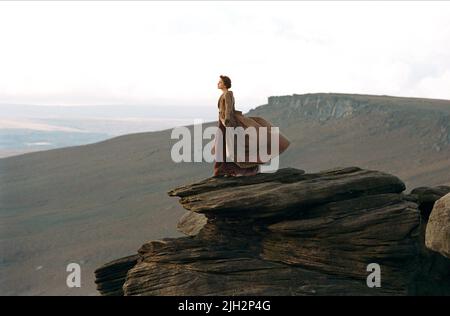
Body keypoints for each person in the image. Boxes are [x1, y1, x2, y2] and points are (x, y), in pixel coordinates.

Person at [212, 75, 291, 177]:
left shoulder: (228, 94)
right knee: (221, 145)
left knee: (229, 146)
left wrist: (227, 121)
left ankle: (227, 168)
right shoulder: (223, 95)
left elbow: (228, 109)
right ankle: (222, 168)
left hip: (227, 122)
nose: (218, 84)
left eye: (220, 82)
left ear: (225, 84)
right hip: (222, 122)